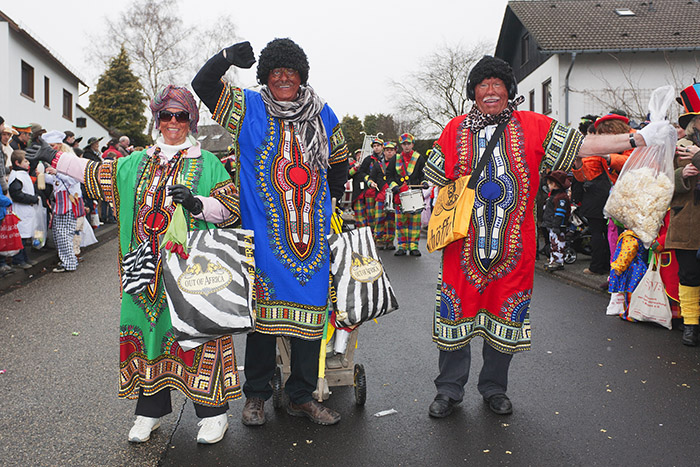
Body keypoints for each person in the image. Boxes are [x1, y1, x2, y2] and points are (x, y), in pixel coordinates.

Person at [422, 55, 675, 418]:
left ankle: (494, 388)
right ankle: (448, 390)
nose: (490, 91)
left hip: (513, 250)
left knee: (505, 316)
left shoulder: (535, 125)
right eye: (483, 85)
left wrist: (637, 138)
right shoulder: (455, 129)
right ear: (473, 91)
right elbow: (435, 175)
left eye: (497, 84)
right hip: (462, 249)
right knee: (455, 315)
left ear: (509, 91)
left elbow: (582, 146)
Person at [28, 85, 242, 444]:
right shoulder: (137, 162)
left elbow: (230, 209)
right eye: (166, 115)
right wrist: (55, 157)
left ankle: (213, 414)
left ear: (192, 120)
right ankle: (150, 412)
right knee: (147, 334)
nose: (173, 122)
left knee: (199, 334)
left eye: (181, 115)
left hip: (193, 273)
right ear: (157, 119)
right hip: (143, 273)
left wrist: (196, 203)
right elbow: (97, 174)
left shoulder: (209, 164)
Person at [192, 38, 349, 426]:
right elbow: (203, 86)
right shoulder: (248, 108)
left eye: (290, 72)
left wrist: (326, 204)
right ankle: (257, 395)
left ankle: (300, 396)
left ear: (301, 76)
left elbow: (340, 161)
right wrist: (226, 58)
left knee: (312, 320)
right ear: (265, 75)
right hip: (264, 239)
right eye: (275, 72)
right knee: (262, 321)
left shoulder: (323, 114)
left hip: (311, 243)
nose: (283, 78)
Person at [666, 82, 700, 345]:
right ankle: (690, 324)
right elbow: (662, 182)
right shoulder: (679, 146)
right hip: (687, 219)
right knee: (688, 275)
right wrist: (681, 176)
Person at [41, 131, 81, 273]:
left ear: (59, 145)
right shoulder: (58, 159)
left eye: (52, 146)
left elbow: (75, 178)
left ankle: (69, 263)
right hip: (61, 200)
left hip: (69, 200)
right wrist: (42, 176)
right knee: (59, 234)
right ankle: (67, 261)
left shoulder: (69, 158)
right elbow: (56, 180)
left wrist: (56, 172)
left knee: (64, 234)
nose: (51, 149)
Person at [386, 133, 426, 256]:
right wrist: (394, 186)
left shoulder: (418, 158)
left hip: (414, 194)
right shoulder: (395, 158)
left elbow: (423, 175)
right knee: (400, 222)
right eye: (404, 144)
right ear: (401, 145)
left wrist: (424, 183)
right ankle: (402, 246)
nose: (406, 146)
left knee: (414, 222)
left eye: (408, 143)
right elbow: (389, 175)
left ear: (412, 144)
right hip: (400, 195)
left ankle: (414, 246)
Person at [7, 150, 38, 269]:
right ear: (17, 163)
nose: (28, 162)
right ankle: (18, 260)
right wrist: (32, 199)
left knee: (25, 236)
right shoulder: (17, 176)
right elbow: (16, 194)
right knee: (21, 236)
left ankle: (24, 257)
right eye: (25, 161)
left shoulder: (22, 174)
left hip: (26, 210)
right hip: (20, 209)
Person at [608, 227, 647, 320]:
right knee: (636, 289)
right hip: (640, 267)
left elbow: (627, 253)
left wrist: (619, 267)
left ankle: (630, 312)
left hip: (632, 268)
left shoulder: (630, 236)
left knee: (629, 289)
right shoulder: (642, 234)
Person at [369, 141, 397, 250]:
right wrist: (371, 183)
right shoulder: (378, 164)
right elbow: (371, 177)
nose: (389, 153)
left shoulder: (399, 164)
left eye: (391, 150)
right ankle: (379, 239)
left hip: (394, 196)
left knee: (391, 220)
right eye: (387, 150)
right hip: (381, 195)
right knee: (379, 218)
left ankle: (390, 240)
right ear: (384, 151)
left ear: (395, 151)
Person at [541, 170, 571, 271]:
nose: (548, 186)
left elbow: (560, 213)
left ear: (554, 184)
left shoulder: (560, 197)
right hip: (552, 224)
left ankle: (558, 261)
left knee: (558, 243)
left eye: (549, 184)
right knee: (553, 243)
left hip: (557, 226)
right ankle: (553, 259)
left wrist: (556, 225)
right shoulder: (555, 196)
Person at [359, 137, 387, 245]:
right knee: (371, 214)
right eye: (374, 146)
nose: (376, 148)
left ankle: (382, 235)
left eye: (378, 146)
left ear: (382, 147)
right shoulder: (368, 159)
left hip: (382, 190)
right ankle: (371, 235)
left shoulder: (387, 159)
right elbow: (362, 172)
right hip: (370, 190)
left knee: (383, 213)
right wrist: (368, 181)